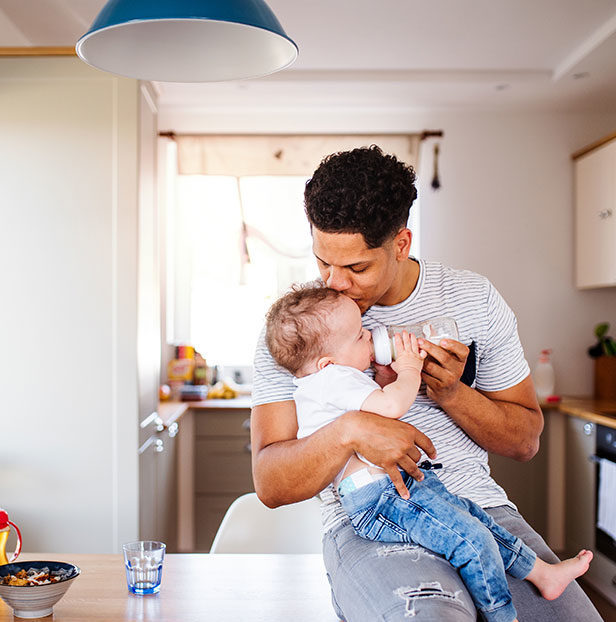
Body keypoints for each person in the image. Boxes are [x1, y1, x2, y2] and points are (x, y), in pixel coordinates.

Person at [251, 145, 603, 621]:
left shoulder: (472, 299)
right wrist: (351, 430)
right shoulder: (300, 332)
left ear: (401, 243)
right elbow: (270, 483)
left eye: (356, 268)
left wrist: (453, 393)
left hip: (479, 509)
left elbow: (525, 442)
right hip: (372, 523)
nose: (335, 284)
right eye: (323, 262)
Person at [264, 283, 593, 622]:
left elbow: (370, 411)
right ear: (327, 362)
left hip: (399, 489)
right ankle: (503, 615)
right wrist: (408, 370)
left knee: (474, 519)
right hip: (380, 499)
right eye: (360, 336)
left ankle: (541, 573)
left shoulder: (329, 379)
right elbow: (389, 407)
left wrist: (383, 379)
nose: (371, 336)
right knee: (473, 539)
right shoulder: (331, 378)